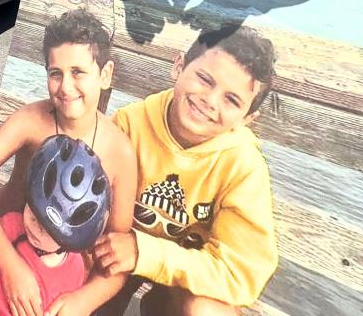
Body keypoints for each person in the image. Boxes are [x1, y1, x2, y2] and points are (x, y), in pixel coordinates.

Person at [0, 9, 138, 316]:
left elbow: (117, 252)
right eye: (55, 73)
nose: (65, 87)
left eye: (78, 72)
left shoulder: (120, 153)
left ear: (105, 74)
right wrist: (8, 262)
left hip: (59, 270)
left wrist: (82, 301)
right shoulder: (32, 120)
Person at [92, 24, 278, 315]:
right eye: (205, 79)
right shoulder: (129, 124)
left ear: (248, 118)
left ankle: (158, 304)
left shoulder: (244, 166)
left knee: (206, 310)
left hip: (189, 275)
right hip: (114, 250)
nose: (210, 100)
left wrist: (147, 253)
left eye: (232, 100)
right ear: (179, 66)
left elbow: (240, 273)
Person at [0, 135, 110, 315]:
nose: (36, 229)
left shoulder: (75, 270)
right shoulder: (11, 226)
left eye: (48, 231)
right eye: (34, 216)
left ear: (68, 241)